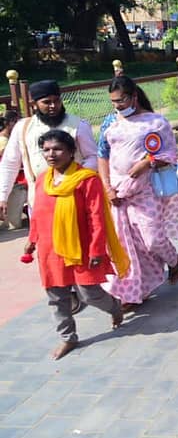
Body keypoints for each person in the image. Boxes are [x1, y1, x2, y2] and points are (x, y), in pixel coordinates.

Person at [23, 130, 129, 360]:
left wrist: (97, 249)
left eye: (58, 149)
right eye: (47, 150)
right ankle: (68, 337)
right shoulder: (43, 179)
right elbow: (38, 213)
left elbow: (96, 217)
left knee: (89, 293)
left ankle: (114, 306)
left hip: (82, 247)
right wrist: (31, 240)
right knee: (56, 296)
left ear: (72, 152)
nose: (51, 154)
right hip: (50, 248)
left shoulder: (87, 180)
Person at [98, 76, 178, 311]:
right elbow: (102, 155)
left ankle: (174, 261)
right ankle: (134, 291)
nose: (118, 106)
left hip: (145, 190)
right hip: (116, 192)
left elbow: (168, 153)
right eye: (114, 102)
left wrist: (146, 163)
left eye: (122, 100)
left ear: (134, 96)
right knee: (124, 244)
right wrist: (107, 187)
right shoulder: (109, 122)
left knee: (151, 238)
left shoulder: (156, 122)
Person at [0, 80, 98, 223]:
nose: (53, 106)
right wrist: (2, 197)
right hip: (39, 200)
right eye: (47, 102)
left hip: (74, 196)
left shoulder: (78, 125)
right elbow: (10, 164)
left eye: (56, 101)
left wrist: (72, 177)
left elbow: (93, 157)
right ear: (33, 103)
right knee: (45, 243)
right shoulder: (23, 128)